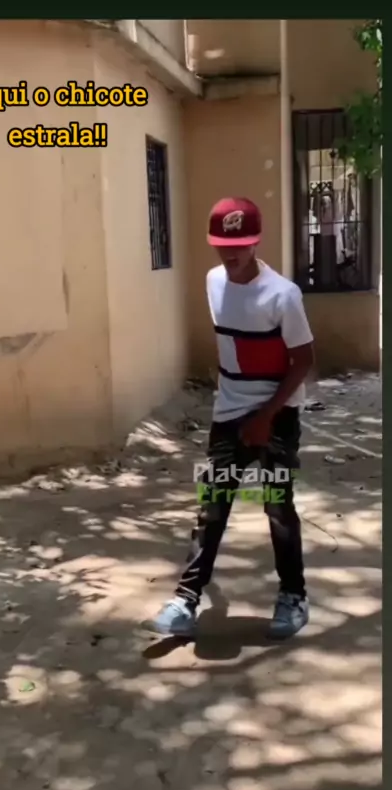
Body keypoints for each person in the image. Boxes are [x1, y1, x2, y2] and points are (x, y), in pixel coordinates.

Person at [148, 197, 315, 640]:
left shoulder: (282, 295)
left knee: (277, 505)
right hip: (228, 415)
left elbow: (303, 360)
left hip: (277, 416)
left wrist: (266, 416)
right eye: (223, 243)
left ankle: (293, 597)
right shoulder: (212, 281)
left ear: (255, 241)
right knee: (213, 505)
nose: (230, 252)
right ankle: (185, 599)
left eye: (239, 243)